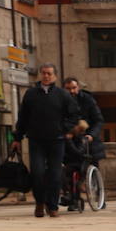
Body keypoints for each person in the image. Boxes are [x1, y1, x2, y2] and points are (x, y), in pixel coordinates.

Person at [11, 63, 78, 217]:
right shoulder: (31, 94)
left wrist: (64, 128)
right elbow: (23, 118)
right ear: (40, 75)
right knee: (38, 173)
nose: (46, 76)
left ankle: (53, 206)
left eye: (49, 73)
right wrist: (17, 138)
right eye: (44, 73)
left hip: (57, 141)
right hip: (36, 141)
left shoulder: (63, 95)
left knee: (55, 174)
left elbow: (74, 115)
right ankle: (40, 202)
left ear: (54, 76)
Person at [61, 77, 105, 211]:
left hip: (88, 141)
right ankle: (73, 199)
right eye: (68, 89)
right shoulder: (61, 101)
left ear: (78, 87)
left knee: (90, 166)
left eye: (74, 88)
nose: (71, 91)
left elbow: (98, 120)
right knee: (69, 171)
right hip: (70, 141)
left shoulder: (87, 100)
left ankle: (98, 196)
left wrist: (91, 135)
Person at [61, 120, 93, 210]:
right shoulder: (66, 137)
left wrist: (69, 141)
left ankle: (72, 197)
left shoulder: (82, 139)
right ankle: (67, 194)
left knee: (69, 173)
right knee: (61, 171)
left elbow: (77, 152)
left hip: (80, 163)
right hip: (68, 162)